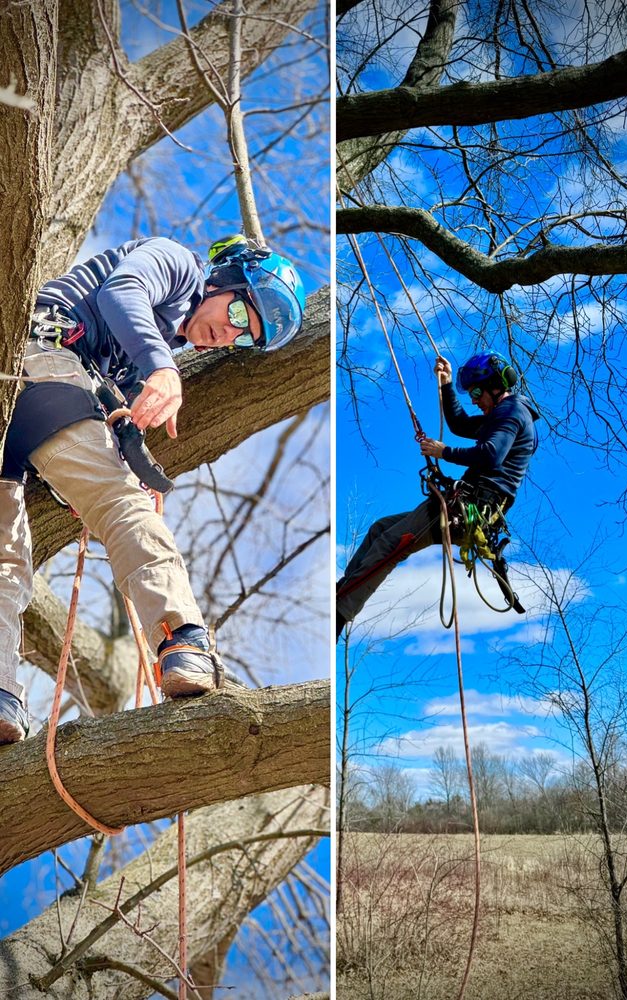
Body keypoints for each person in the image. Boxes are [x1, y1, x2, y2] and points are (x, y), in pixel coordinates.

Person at [0, 234, 306, 744]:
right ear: (223, 281)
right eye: (238, 314)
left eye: (243, 338)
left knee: (6, 562)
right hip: (39, 354)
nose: (229, 335)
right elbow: (121, 291)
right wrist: (162, 368)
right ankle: (182, 638)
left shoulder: (143, 352)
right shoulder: (178, 264)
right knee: (121, 503)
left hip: (29, 412)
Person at [336, 351, 539, 636]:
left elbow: (490, 455)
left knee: (391, 544)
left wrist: (444, 452)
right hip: (466, 506)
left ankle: (337, 615)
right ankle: (343, 591)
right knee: (380, 529)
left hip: (468, 508)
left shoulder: (511, 411)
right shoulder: (499, 415)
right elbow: (459, 423)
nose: (474, 400)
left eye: (477, 392)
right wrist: (445, 383)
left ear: (496, 386)